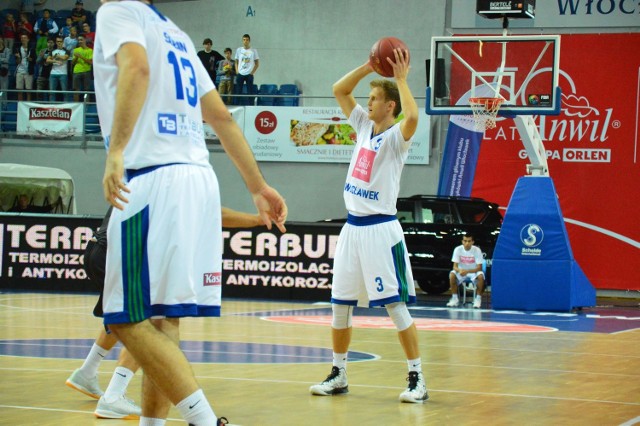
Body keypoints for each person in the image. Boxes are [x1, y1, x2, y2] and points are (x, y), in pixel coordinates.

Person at [94, 1, 287, 425]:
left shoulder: (116, 12)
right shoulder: (177, 34)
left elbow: (137, 69)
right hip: (200, 178)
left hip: (152, 179)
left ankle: (204, 420)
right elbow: (222, 118)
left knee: (124, 320)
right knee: (164, 320)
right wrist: (258, 187)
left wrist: (116, 152)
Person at [308, 49, 428, 404]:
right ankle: (339, 372)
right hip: (352, 229)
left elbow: (413, 118)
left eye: (374, 98)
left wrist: (401, 81)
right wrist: (369, 67)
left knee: (395, 306)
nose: (368, 102)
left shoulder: (395, 138)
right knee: (339, 306)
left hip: (381, 230)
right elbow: (339, 90)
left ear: (390, 105)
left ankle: (417, 377)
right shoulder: (362, 126)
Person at [67, 206, 265, 420]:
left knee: (127, 320)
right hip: (119, 252)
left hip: (98, 250)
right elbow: (210, 212)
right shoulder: (173, 180)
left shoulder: (142, 176)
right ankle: (114, 397)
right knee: (150, 325)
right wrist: (258, 219)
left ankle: (87, 372)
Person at [446, 233, 486, 309]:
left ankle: (478, 299)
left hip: (473, 272)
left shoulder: (477, 250)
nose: (467, 243)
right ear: (462, 241)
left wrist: (467, 271)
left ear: (472, 242)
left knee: (481, 276)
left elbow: (479, 268)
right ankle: (454, 298)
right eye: (465, 241)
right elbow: (454, 266)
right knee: (452, 274)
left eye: (469, 241)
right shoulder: (457, 249)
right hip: (461, 271)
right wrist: (460, 270)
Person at [234, 34, 259, 105]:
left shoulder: (253, 50)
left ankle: (251, 106)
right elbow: (236, 61)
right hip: (240, 73)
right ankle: (236, 106)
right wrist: (237, 71)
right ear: (242, 41)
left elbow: (257, 63)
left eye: (247, 40)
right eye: (244, 40)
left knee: (250, 92)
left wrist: (252, 73)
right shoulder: (239, 50)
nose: (245, 41)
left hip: (249, 74)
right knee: (238, 91)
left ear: (249, 41)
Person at [13, 34, 35, 101]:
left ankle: (28, 107)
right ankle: (20, 107)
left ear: (28, 40)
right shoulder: (17, 49)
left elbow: (34, 61)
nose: (23, 39)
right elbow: (17, 62)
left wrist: (30, 59)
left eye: (25, 38)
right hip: (19, 71)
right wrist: (18, 57)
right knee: (19, 91)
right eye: (22, 38)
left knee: (29, 91)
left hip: (28, 72)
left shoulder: (32, 49)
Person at [47, 36, 69, 102]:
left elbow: (65, 58)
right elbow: (48, 60)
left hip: (63, 73)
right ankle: (52, 107)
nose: (59, 43)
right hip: (53, 73)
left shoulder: (66, 51)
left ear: (63, 42)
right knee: (51, 92)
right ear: (56, 42)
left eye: (60, 41)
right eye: (58, 41)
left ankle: (66, 107)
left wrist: (56, 56)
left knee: (64, 92)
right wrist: (56, 61)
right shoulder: (52, 51)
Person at [72, 35, 92, 101]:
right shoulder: (75, 50)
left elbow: (90, 62)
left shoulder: (90, 50)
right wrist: (76, 57)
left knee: (86, 89)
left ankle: (87, 106)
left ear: (85, 40)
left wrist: (80, 57)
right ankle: (76, 106)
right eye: (79, 40)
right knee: (76, 89)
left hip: (86, 71)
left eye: (81, 39)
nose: (80, 41)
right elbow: (72, 63)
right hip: (76, 71)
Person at [0, 39, 10, 109]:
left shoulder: (7, 50)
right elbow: (4, 59)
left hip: (4, 72)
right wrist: (2, 59)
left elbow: (7, 59)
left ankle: (4, 106)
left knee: (4, 90)